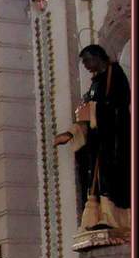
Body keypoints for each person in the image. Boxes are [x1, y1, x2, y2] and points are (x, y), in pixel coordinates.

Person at [54, 44, 131, 231]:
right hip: (98, 140)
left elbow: (120, 102)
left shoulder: (115, 74)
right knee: (95, 177)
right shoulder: (96, 82)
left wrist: (93, 109)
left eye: (87, 61)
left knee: (110, 176)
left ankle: (115, 218)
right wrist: (70, 133)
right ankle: (99, 217)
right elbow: (87, 113)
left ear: (97, 57)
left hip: (115, 137)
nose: (86, 65)